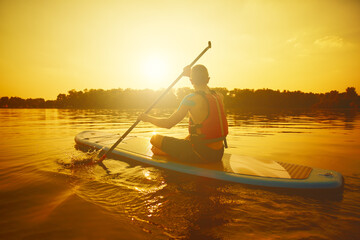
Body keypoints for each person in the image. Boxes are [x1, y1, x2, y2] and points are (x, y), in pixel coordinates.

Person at [138, 64, 228, 163]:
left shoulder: (190, 99)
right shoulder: (219, 96)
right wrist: (192, 75)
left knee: (154, 140)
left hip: (201, 154)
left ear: (191, 81)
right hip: (218, 153)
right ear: (208, 79)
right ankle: (173, 151)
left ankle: (167, 152)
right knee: (188, 138)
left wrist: (147, 118)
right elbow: (206, 90)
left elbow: (168, 123)